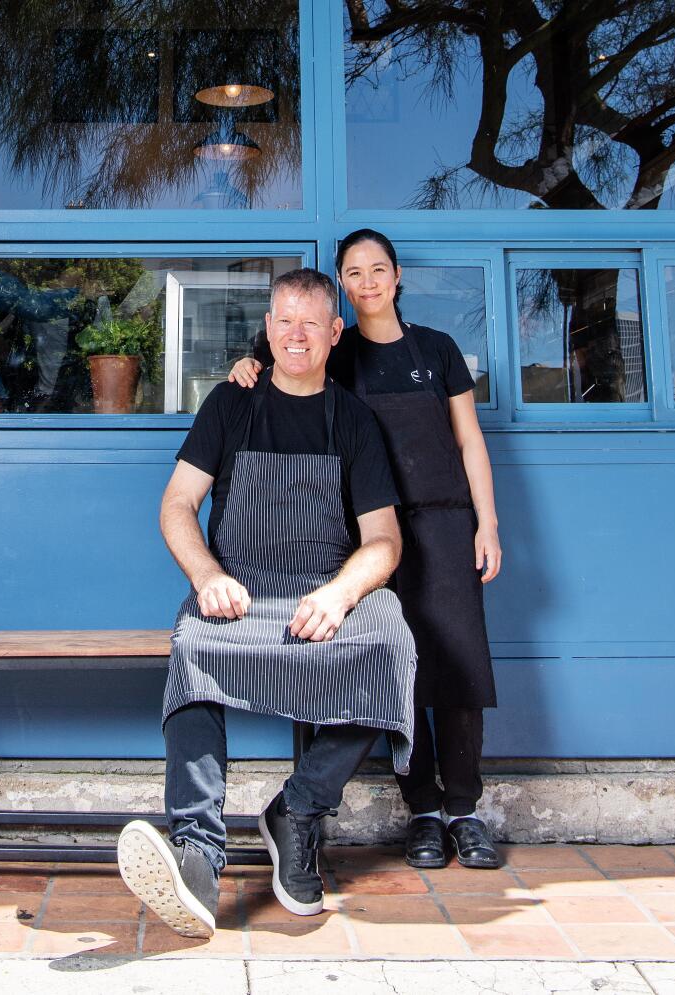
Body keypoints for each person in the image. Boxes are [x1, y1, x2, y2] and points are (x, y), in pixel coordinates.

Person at [116, 268, 417, 939]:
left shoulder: (355, 422)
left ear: (336, 332)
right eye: (284, 319)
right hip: (240, 590)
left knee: (392, 639)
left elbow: (384, 541)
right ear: (268, 327)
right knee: (192, 644)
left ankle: (299, 809)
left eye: (312, 320)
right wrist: (206, 573)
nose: (297, 334)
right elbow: (176, 504)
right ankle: (198, 855)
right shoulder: (230, 403)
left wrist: (341, 593)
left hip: (318, 590)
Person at [229, 230, 503, 871]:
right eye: (354, 273)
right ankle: (425, 814)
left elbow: (471, 444)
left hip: (444, 524)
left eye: (378, 269)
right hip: (369, 536)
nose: (368, 281)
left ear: (397, 277)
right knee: (396, 668)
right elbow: (278, 364)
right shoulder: (336, 350)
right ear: (342, 287)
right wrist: (244, 367)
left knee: (457, 670)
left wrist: (486, 524)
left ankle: (464, 809)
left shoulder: (437, 351)